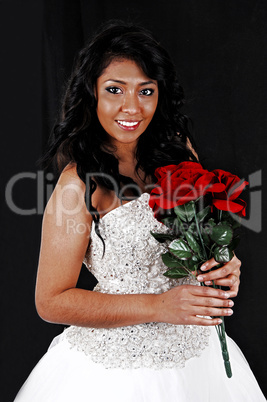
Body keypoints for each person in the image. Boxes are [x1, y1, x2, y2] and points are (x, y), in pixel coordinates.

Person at [15, 20, 265, 401]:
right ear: (91, 95)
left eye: (145, 91)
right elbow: (51, 301)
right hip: (114, 372)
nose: (132, 107)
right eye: (114, 90)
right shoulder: (78, 184)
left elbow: (199, 234)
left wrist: (224, 263)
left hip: (200, 358)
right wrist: (159, 306)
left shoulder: (179, 151)